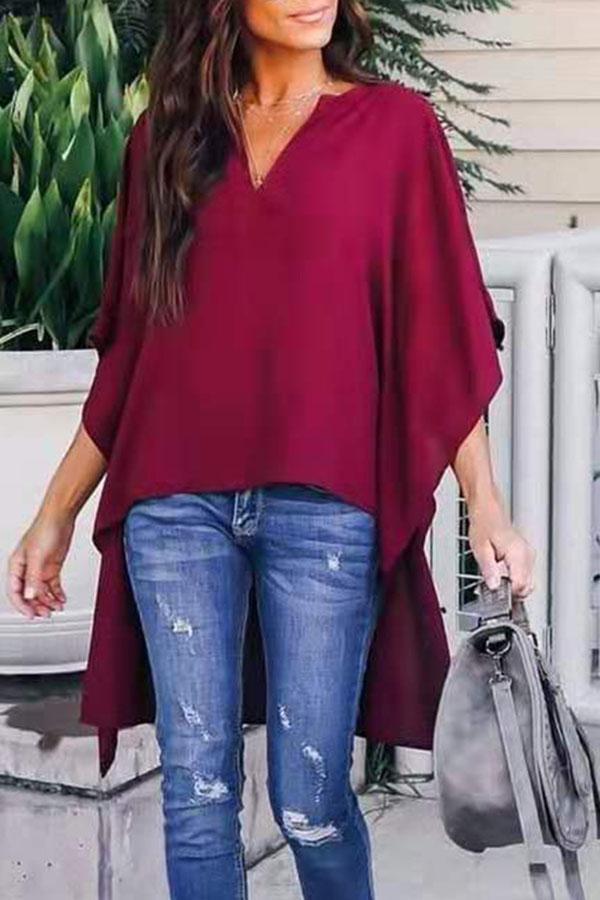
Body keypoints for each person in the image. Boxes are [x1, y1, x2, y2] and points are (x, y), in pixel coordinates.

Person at [5, 0, 535, 898]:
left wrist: (485, 504)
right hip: (173, 505)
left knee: (311, 801)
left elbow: (438, 333)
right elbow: (132, 355)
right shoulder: (166, 142)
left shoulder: (396, 131)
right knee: (197, 794)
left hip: (326, 506)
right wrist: (54, 514)